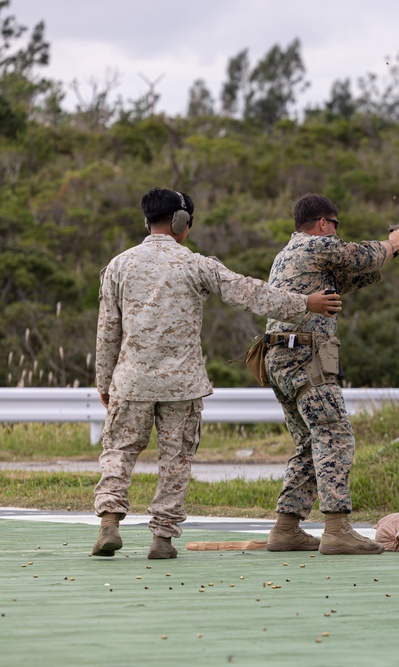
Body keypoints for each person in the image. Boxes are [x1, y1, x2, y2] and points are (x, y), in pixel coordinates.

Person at [92, 187, 341, 560]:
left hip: (131, 380)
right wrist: (304, 303)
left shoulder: (118, 265)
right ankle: (162, 538)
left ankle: (109, 522)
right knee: (175, 459)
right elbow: (250, 293)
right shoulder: (196, 265)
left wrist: (104, 381)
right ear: (181, 222)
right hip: (183, 383)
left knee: (119, 451)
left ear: (147, 221)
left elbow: (107, 331)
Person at [263, 193, 399, 555]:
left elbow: (347, 277)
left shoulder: (291, 254)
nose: (336, 233)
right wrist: (392, 243)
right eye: (335, 225)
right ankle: (336, 528)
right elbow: (356, 257)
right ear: (322, 224)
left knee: (308, 445)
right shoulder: (317, 246)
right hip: (304, 354)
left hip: (281, 355)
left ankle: (286, 527)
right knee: (335, 438)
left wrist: (390, 254)